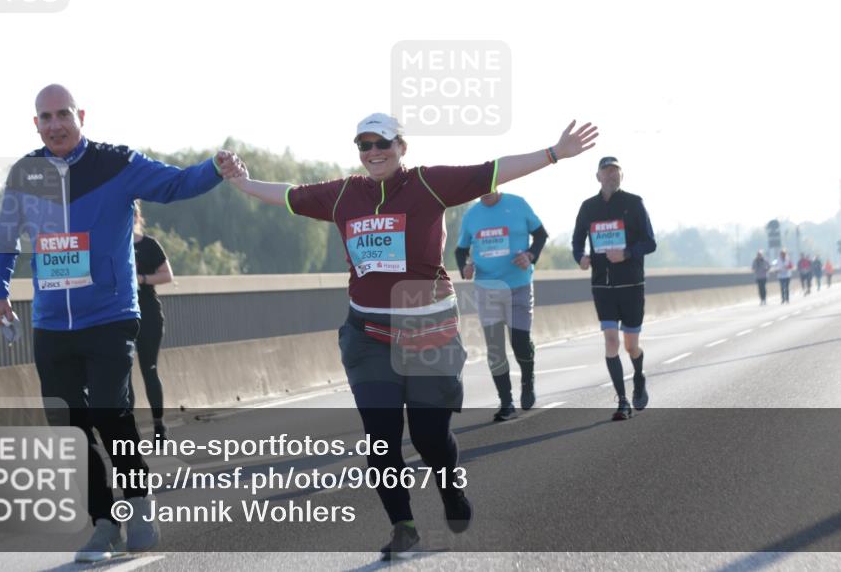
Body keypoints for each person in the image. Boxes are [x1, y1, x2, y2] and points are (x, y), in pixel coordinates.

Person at [225, 113, 598, 558]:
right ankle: (403, 526)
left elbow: (493, 170)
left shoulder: (429, 184)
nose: (372, 152)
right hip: (367, 334)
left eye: (381, 143)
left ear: (401, 146)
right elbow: (288, 196)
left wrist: (555, 153)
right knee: (380, 439)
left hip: (428, 329)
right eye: (363, 145)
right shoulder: (345, 193)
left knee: (428, 437)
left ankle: (450, 489)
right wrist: (243, 183)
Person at [0, 84, 244, 563]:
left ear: (80, 115)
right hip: (51, 323)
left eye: (64, 114)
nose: (56, 123)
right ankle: (103, 523)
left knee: (109, 411)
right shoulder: (25, 174)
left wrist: (215, 169)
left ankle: (138, 500)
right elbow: (4, 242)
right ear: (35, 124)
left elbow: (175, 185)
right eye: (46, 117)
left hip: (110, 315)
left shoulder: (116, 163)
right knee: (68, 427)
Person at [572, 156, 656, 422]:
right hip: (602, 285)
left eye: (615, 172)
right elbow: (576, 241)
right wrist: (581, 257)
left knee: (631, 346)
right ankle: (622, 401)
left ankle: (639, 377)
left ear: (622, 176)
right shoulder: (588, 207)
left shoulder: (634, 203)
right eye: (606, 172)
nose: (611, 176)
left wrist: (627, 253)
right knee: (611, 341)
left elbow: (650, 242)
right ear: (597, 176)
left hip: (631, 284)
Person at [455, 189, 548, 421]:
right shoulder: (472, 215)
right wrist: (464, 267)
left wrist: (530, 255)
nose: (485, 192)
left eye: (489, 186)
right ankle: (506, 402)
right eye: (480, 187)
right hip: (487, 288)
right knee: (495, 348)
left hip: (519, 285)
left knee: (520, 343)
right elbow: (461, 249)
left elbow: (541, 235)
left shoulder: (518, 204)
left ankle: (528, 381)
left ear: (498, 184)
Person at [128, 202, 173, 440]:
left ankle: (158, 425)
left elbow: (168, 275)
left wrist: (142, 278)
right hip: (121, 315)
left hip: (148, 313)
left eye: (132, 212)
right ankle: (129, 429)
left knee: (149, 369)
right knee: (122, 374)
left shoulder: (149, 245)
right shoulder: (113, 245)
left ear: (137, 215)